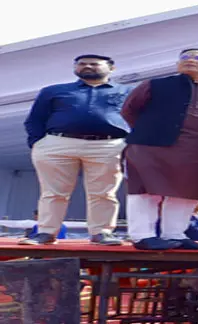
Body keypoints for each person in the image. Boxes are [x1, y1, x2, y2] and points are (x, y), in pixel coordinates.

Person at [121, 48, 198, 251]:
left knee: (187, 193)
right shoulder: (155, 85)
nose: (190, 60)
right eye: (185, 57)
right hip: (150, 146)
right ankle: (142, 236)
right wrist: (152, 131)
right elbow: (129, 110)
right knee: (145, 192)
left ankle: (174, 235)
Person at [21, 54, 130, 246]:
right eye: (81, 64)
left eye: (94, 64)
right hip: (58, 144)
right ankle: (46, 232)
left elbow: (139, 117)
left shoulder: (127, 91)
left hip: (108, 145)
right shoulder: (53, 91)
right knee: (53, 192)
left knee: (104, 192)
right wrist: (38, 143)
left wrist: (130, 141)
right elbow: (35, 119)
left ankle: (102, 233)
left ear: (111, 68)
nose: (87, 66)